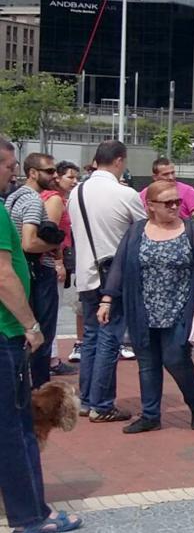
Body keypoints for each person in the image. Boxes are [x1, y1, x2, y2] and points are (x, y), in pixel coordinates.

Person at [0, 137, 84, 533]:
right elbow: (3, 274)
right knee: (15, 428)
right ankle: (29, 516)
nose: (11, 172)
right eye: (6, 165)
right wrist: (30, 326)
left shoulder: (9, 204)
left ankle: (32, 510)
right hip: (5, 331)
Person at [101, 180, 194, 434]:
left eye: (177, 202)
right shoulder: (136, 231)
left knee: (176, 359)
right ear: (150, 206)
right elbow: (119, 265)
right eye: (168, 203)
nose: (175, 206)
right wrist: (107, 299)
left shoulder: (190, 230)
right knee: (148, 363)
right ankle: (151, 415)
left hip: (179, 308)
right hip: (143, 309)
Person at [68, 140, 146, 423]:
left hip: (87, 273)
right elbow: (143, 230)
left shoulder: (76, 192)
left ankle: (87, 400)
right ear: (119, 161)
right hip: (115, 276)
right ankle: (102, 404)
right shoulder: (124, 194)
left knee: (90, 337)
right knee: (110, 338)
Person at [5, 152, 67, 388]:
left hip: (25, 270)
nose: (54, 175)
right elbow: (28, 242)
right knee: (41, 336)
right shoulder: (32, 200)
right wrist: (55, 245)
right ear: (33, 173)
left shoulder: (14, 197)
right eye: (49, 171)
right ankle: (39, 390)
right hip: (38, 271)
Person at [41, 161, 80, 373]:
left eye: (76, 177)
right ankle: (52, 359)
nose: (74, 181)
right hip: (53, 259)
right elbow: (51, 233)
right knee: (51, 311)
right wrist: (58, 262)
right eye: (70, 177)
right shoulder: (54, 200)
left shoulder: (59, 199)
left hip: (54, 259)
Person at [139, 158, 194, 228]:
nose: (171, 177)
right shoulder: (145, 193)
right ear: (155, 177)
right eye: (166, 174)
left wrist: (189, 234)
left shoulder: (186, 190)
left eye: (173, 173)